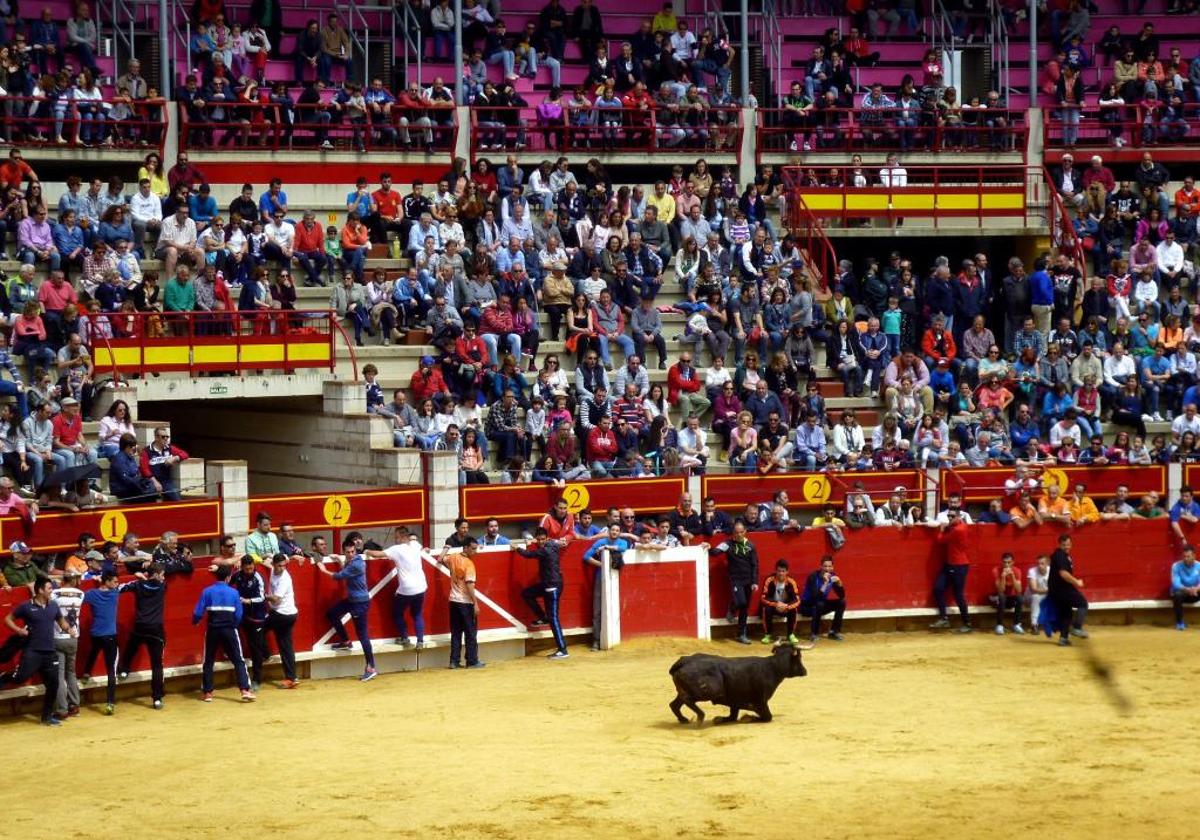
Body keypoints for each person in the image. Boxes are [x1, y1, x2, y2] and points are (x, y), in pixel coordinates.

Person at [2, 575, 72, 725]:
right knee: (20, 678)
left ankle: (46, 717)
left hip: (49, 651)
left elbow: (61, 621)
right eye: (49, 588)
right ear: (40, 590)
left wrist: (69, 629)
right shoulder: (26, 606)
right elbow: (7, 619)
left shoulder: (53, 605)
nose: (51, 590)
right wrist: (19, 630)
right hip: (32, 651)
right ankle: (5, 677)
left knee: (53, 685)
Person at [315, 535, 377, 682]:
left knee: (362, 635)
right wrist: (340, 560)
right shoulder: (351, 561)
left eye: (352, 552)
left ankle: (371, 667)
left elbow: (339, 576)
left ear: (355, 551)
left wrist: (323, 570)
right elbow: (346, 570)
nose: (350, 554)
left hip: (359, 604)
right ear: (345, 551)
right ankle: (346, 641)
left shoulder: (357, 564)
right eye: (347, 552)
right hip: (352, 600)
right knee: (332, 614)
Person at [192, 564, 255, 702]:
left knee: (209, 660)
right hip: (229, 629)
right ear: (228, 578)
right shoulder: (234, 592)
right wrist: (233, 626)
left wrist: (195, 621)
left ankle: (208, 693)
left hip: (213, 629)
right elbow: (239, 614)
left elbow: (197, 612)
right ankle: (245, 690)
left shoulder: (207, 591)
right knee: (238, 659)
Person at [117, 562, 170, 709]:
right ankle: (157, 698)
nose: (163, 577)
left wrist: (141, 579)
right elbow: (155, 584)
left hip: (141, 626)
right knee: (157, 665)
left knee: (131, 646)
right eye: (162, 574)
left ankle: (123, 670)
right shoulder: (162, 587)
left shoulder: (138, 585)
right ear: (157, 574)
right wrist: (145, 578)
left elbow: (119, 588)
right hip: (156, 629)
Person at [366, 526, 428, 648]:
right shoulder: (415, 545)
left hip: (406, 588)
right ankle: (420, 641)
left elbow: (377, 554)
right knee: (417, 614)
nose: (395, 539)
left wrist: (366, 551)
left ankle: (404, 638)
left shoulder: (397, 549)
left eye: (396, 537)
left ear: (402, 537)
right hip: (421, 586)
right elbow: (423, 548)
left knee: (397, 612)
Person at [516, 527, 569, 659]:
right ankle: (542, 617)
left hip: (553, 586)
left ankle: (562, 650)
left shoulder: (545, 550)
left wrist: (517, 548)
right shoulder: (553, 544)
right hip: (548, 584)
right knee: (527, 593)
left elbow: (528, 555)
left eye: (542, 539)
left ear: (547, 538)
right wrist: (532, 541)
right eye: (538, 539)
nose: (540, 542)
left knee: (554, 618)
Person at [708, 519, 759, 644]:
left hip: (748, 579)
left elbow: (754, 565)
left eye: (741, 532)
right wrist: (709, 547)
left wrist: (754, 581)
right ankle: (732, 607)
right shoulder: (728, 544)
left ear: (745, 532)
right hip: (736, 578)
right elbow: (716, 552)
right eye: (736, 532)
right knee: (741, 602)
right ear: (733, 532)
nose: (739, 534)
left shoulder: (750, 546)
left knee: (745, 608)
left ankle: (741, 634)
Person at [582, 523, 632, 650]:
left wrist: (607, 547)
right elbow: (586, 556)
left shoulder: (622, 542)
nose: (614, 532)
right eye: (612, 530)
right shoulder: (601, 542)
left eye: (617, 530)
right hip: (601, 577)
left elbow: (623, 548)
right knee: (597, 609)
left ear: (620, 532)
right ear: (609, 531)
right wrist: (603, 565)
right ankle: (596, 640)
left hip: (617, 578)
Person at [80, 569, 122, 715]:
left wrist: (98, 583)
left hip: (96, 633)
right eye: (115, 581)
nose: (117, 584)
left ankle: (86, 673)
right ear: (108, 581)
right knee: (111, 669)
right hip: (110, 635)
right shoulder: (114, 594)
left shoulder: (91, 594)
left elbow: (79, 598)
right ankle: (110, 702)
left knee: (94, 650)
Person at [440, 536, 485, 668]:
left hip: (453, 601)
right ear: (465, 548)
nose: (475, 551)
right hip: (465, 602)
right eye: (473, 549)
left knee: (456, 632)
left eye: (476, 549)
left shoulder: (453, 557)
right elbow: (469, 584)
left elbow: (441, 559)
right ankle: (472, 660)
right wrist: (475, 603)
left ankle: (454, 661)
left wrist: (445, 549)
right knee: (470, 632)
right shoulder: (469, 564)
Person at [231, 554, 269, 692]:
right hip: (245, 614)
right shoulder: (238, 574)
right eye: (246, 569)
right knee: (251, 642)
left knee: (255, 648)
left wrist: (249, 601)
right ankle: (266, 652)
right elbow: (228, 582)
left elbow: (262, 597)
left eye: (251, 568)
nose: (249, 571)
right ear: (242, 567)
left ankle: (257, 679)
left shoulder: (258, 577)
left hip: (257, 615)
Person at [931, 508, 971, 632]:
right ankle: (944, 618)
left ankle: (967, 623)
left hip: (959, 566)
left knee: (958, 595)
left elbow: (940, 540)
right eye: (948, 516)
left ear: (959, 517)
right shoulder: (960, 526)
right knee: (938, 589)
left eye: (952, 516)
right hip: (951, 564)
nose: (949, 518)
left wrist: (942, 530)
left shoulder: (958, 530)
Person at [265, 553, 299, 688]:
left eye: (283, 566)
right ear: (274, 564)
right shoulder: (274, 569)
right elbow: (265, 562)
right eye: (279, 566)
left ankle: (265, 654)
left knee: (258, 628)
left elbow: (276, 599)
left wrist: (262, 596)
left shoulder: (285, 578)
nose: (281, 568)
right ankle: (292, 678)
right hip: (286, 613)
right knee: (285, 646)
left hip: (282, 614)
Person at [1048, 533, 1088, 646]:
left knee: (1066, 612)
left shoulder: (1062, 555)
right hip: (1062, 588)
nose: (1067, 547)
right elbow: (1063, 573)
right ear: (1059, 544)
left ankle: (1063, 638)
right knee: (1082, 603)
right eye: (1064, 545)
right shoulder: (1060, 555)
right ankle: (1077, 628)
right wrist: (1077, 582)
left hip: (1056, 589)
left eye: (1069, 544)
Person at [800, 555, 845, 642]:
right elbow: (815, 597)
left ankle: (834, 632)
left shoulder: (832, 576)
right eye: (825, 566)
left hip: (820, 605)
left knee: (842, 602)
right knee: (819, 603)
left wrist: (840, 585)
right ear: (821, 567)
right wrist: (825, 583)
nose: (827, 568)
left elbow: (841, 595)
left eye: (829, 566)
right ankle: (814, 634)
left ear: (832, 567)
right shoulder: (813, 577)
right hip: (807, 607)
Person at [759, 559, 801, 644]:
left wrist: (786, 606)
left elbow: (797, 600)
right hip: (773, 607)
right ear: (775, 571)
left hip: (786, 607)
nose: (781, 573)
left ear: (787, 572)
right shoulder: (769, 580)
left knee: (794, 610)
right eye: (779, 571)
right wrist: (776, 604)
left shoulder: (791, 582)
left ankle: (790, 634)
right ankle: (768, 634)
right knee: (766, 609)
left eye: (783, 571)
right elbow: (763, 597)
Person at [1170, 545, 1200, 630]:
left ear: (1194, 556)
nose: (1186, 558)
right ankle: (1179, 622)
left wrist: (1196, 589)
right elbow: (1176, 583)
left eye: (1188, 556)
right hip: (1182, 593)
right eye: (1184, 556)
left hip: (1195, 593)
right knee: (1177, 594)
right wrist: (1187, 589)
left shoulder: (1199, 566)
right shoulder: (1176, 566)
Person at [993, 553, 1025, 635]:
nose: (1006, 564)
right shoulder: (996, 570)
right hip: (997, 598)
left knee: (1020, 598)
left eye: (1009, 562)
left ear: (1013, 562)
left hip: (1011, 598)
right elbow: (1001, 590)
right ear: (1002, 562)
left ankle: (1016, 624)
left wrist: (1012, 576)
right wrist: (1003, 577)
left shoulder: (1017, 571)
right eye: (1004, 562)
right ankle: (999, 625)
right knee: (1002, 597)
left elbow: (1019, 590)